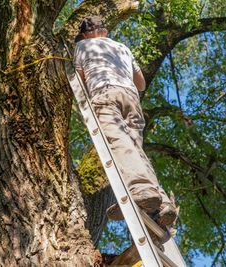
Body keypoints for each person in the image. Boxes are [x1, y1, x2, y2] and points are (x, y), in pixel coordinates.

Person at [73, 16, 177, 226]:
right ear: (104, 30)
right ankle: (163, 204)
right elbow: (141, 83)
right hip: (131, 98)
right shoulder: (122, 47)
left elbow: (79, 76)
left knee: (118, 142)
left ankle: (141, 189)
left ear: (85, 33)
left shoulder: (83, 45)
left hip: (104, 93)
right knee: (136, 149)